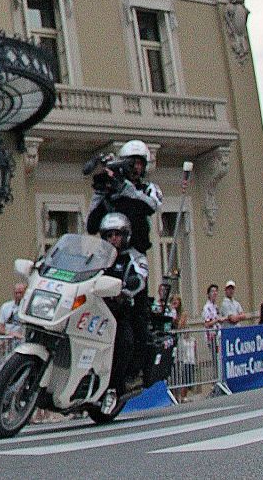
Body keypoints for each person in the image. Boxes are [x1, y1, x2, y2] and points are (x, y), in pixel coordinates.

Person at [97, 212, 149, 390]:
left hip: (121, 310)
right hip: (97, 308)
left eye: (117, 235)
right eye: (109, 235)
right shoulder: (98, 257)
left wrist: (128, 286)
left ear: (125, 235)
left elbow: (140, 278)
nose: (113, 239)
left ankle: (119, 383)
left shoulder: (135, 257)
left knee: (124, 340)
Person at [86, 140, 163, 255]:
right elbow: (91, 225)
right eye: (131, 163)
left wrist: (125, 188)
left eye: (139, 164)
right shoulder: (111, 190)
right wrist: (100, 192)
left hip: (135, 252)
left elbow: (152, 206)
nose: (135, 167)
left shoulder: (148, 188)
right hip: (109, 253)